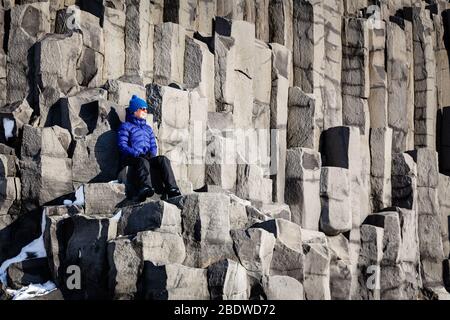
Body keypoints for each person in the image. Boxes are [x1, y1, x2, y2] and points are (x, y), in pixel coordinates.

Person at [117, 95, 181, 201]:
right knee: (142, 161)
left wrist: (152, 153)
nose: (145, 111)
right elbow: (122, 145)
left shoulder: (148, 128)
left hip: (145, 156)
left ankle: (172, 188)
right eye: (142, 109)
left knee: (163, 159)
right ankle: (145, 187)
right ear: (134, 110)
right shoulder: (126, 126)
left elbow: (153, 144)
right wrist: (135, 152)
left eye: (146, 109)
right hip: (130, 157)